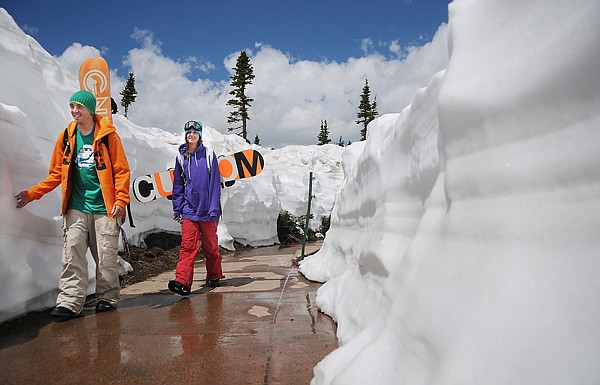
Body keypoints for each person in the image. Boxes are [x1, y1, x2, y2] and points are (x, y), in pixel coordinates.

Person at [15, 90, 131, 319]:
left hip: (105, 208)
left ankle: (107, 297)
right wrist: (32, 194)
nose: (75, 111)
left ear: (90, 110)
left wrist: (121, 200)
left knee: (106, 257)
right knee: (72, 254)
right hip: (76, 206)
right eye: (72, 106)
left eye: (79, 107)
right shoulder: (67, 137)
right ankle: (69, 302)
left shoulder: (108, 137)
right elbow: (56, 174)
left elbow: (121, 171)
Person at [168, 120, 223, 295]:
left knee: (211, 245)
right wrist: (177, 208)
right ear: (185, 135)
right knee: (187, 246)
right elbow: (178, 185)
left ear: (199, 135)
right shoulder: (181, 156)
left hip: (207, 209)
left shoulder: (208, 154)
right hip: (189, 209)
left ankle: (214, 274)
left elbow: (215, 182)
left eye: (195, 132)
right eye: (188, 132)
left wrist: (214, 207)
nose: (191, 135)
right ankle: (182, 282)